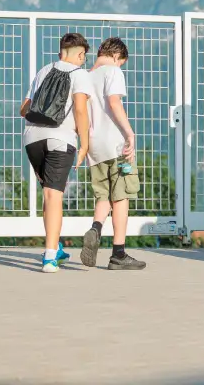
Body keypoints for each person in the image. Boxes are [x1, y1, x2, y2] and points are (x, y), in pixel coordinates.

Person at [19, 32, 92, 272]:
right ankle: (50, 257)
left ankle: (55, 246)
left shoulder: (43, 70)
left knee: (48, 195)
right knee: (54, 195)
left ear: (61, 51)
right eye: (83, 57)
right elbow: (80, 110)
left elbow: (24, 109)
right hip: (61, 139)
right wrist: (85, 145)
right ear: (80, 54)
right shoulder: (80, 75)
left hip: (32, 139)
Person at [80, 37, 145, 271]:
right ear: (117, 56)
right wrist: (130, 134)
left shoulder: (84, 76)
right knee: (121, 195)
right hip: (116, 146)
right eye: (122, 63)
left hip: (93, 146)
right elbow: (114, 101)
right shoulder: (113, 72)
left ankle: (96, 228)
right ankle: (118, 253)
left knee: (103, 195)